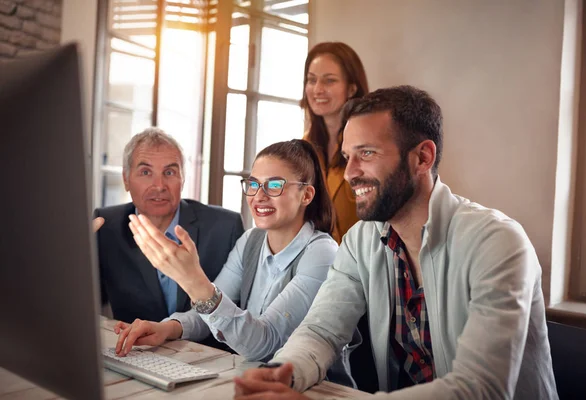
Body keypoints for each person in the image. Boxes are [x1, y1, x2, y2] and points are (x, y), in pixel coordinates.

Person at [233, 86, 558, 399]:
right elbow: (322, 331)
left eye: (367, 154)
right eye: (348, 156)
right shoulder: (360, 241)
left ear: (422, 158)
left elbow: (480, 389)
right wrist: (282, 375)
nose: (349, 173)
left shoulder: (497, 242)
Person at [111, 139, 339, 364]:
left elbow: (263, 343)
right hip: (257, 379)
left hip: (317, 389)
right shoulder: (251, 241)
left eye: (274, 185)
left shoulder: (321, 253)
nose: (259, 196)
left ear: (307, 195)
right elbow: (208, 316)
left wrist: (192, 280)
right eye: (253, 184)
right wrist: (167, 328)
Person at [93, 128, 245, 325]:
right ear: (126, 179)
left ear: (182, 180)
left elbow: (236, 314)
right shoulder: (106, 225)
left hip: (206, 352)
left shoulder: (225, 228)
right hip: (136, 351)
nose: (159, 185)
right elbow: (85, 301)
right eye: (145, 172)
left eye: (170, 172)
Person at [302, 41, 369, 244]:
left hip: (363, 265)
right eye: (311, 80)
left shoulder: (370, 145)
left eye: (329, 81)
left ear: (351, 89)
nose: (318, 89)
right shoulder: (303, 146)